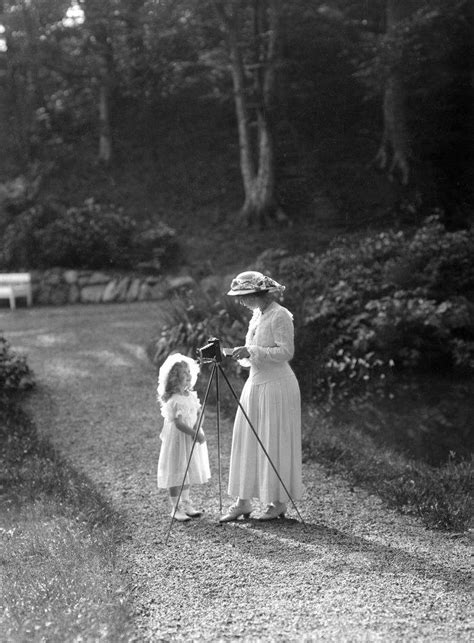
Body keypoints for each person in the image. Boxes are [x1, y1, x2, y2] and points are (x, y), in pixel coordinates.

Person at [220, 270, 302, 522]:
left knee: (273, 439)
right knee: (247, 438)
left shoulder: (280, 315)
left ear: (258, 293)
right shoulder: (257, 315)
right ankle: (243, 502)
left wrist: (252, 350)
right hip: (256, 383)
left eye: (245, 296)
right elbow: (254, 351)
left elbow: (286, 352)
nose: (242, 301)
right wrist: (242, 353)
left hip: (277, 385)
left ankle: (277, 501)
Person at [156, 353, 211, 522]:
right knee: (177, 469)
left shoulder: (191, 396)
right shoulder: (174, 400)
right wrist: (194, 433)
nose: (188, 378)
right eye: (184, 375)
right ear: (175, 379)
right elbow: (178, 423)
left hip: (190, 437)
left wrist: (197, 428)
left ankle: (186, 502)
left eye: (189, 374)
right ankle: (176, 506)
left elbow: (199, 412)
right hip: (179, 439)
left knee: (186, 469)